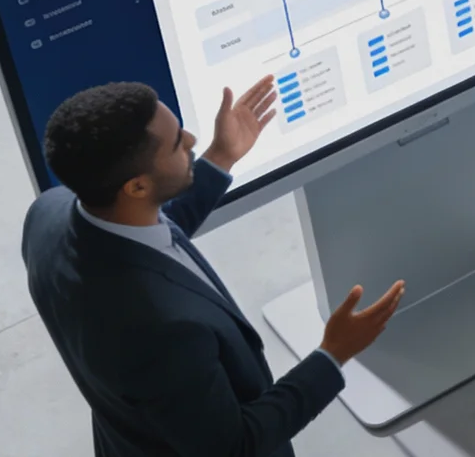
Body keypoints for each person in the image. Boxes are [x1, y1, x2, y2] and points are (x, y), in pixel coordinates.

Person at [21, 80, 407, 457]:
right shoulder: (161, 331)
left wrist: (221, 156)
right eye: (177, 144)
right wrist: (332, 354)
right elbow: (234, 443)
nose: (191, 140)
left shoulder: (49, 215)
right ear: (136, 187)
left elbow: (155, 233)